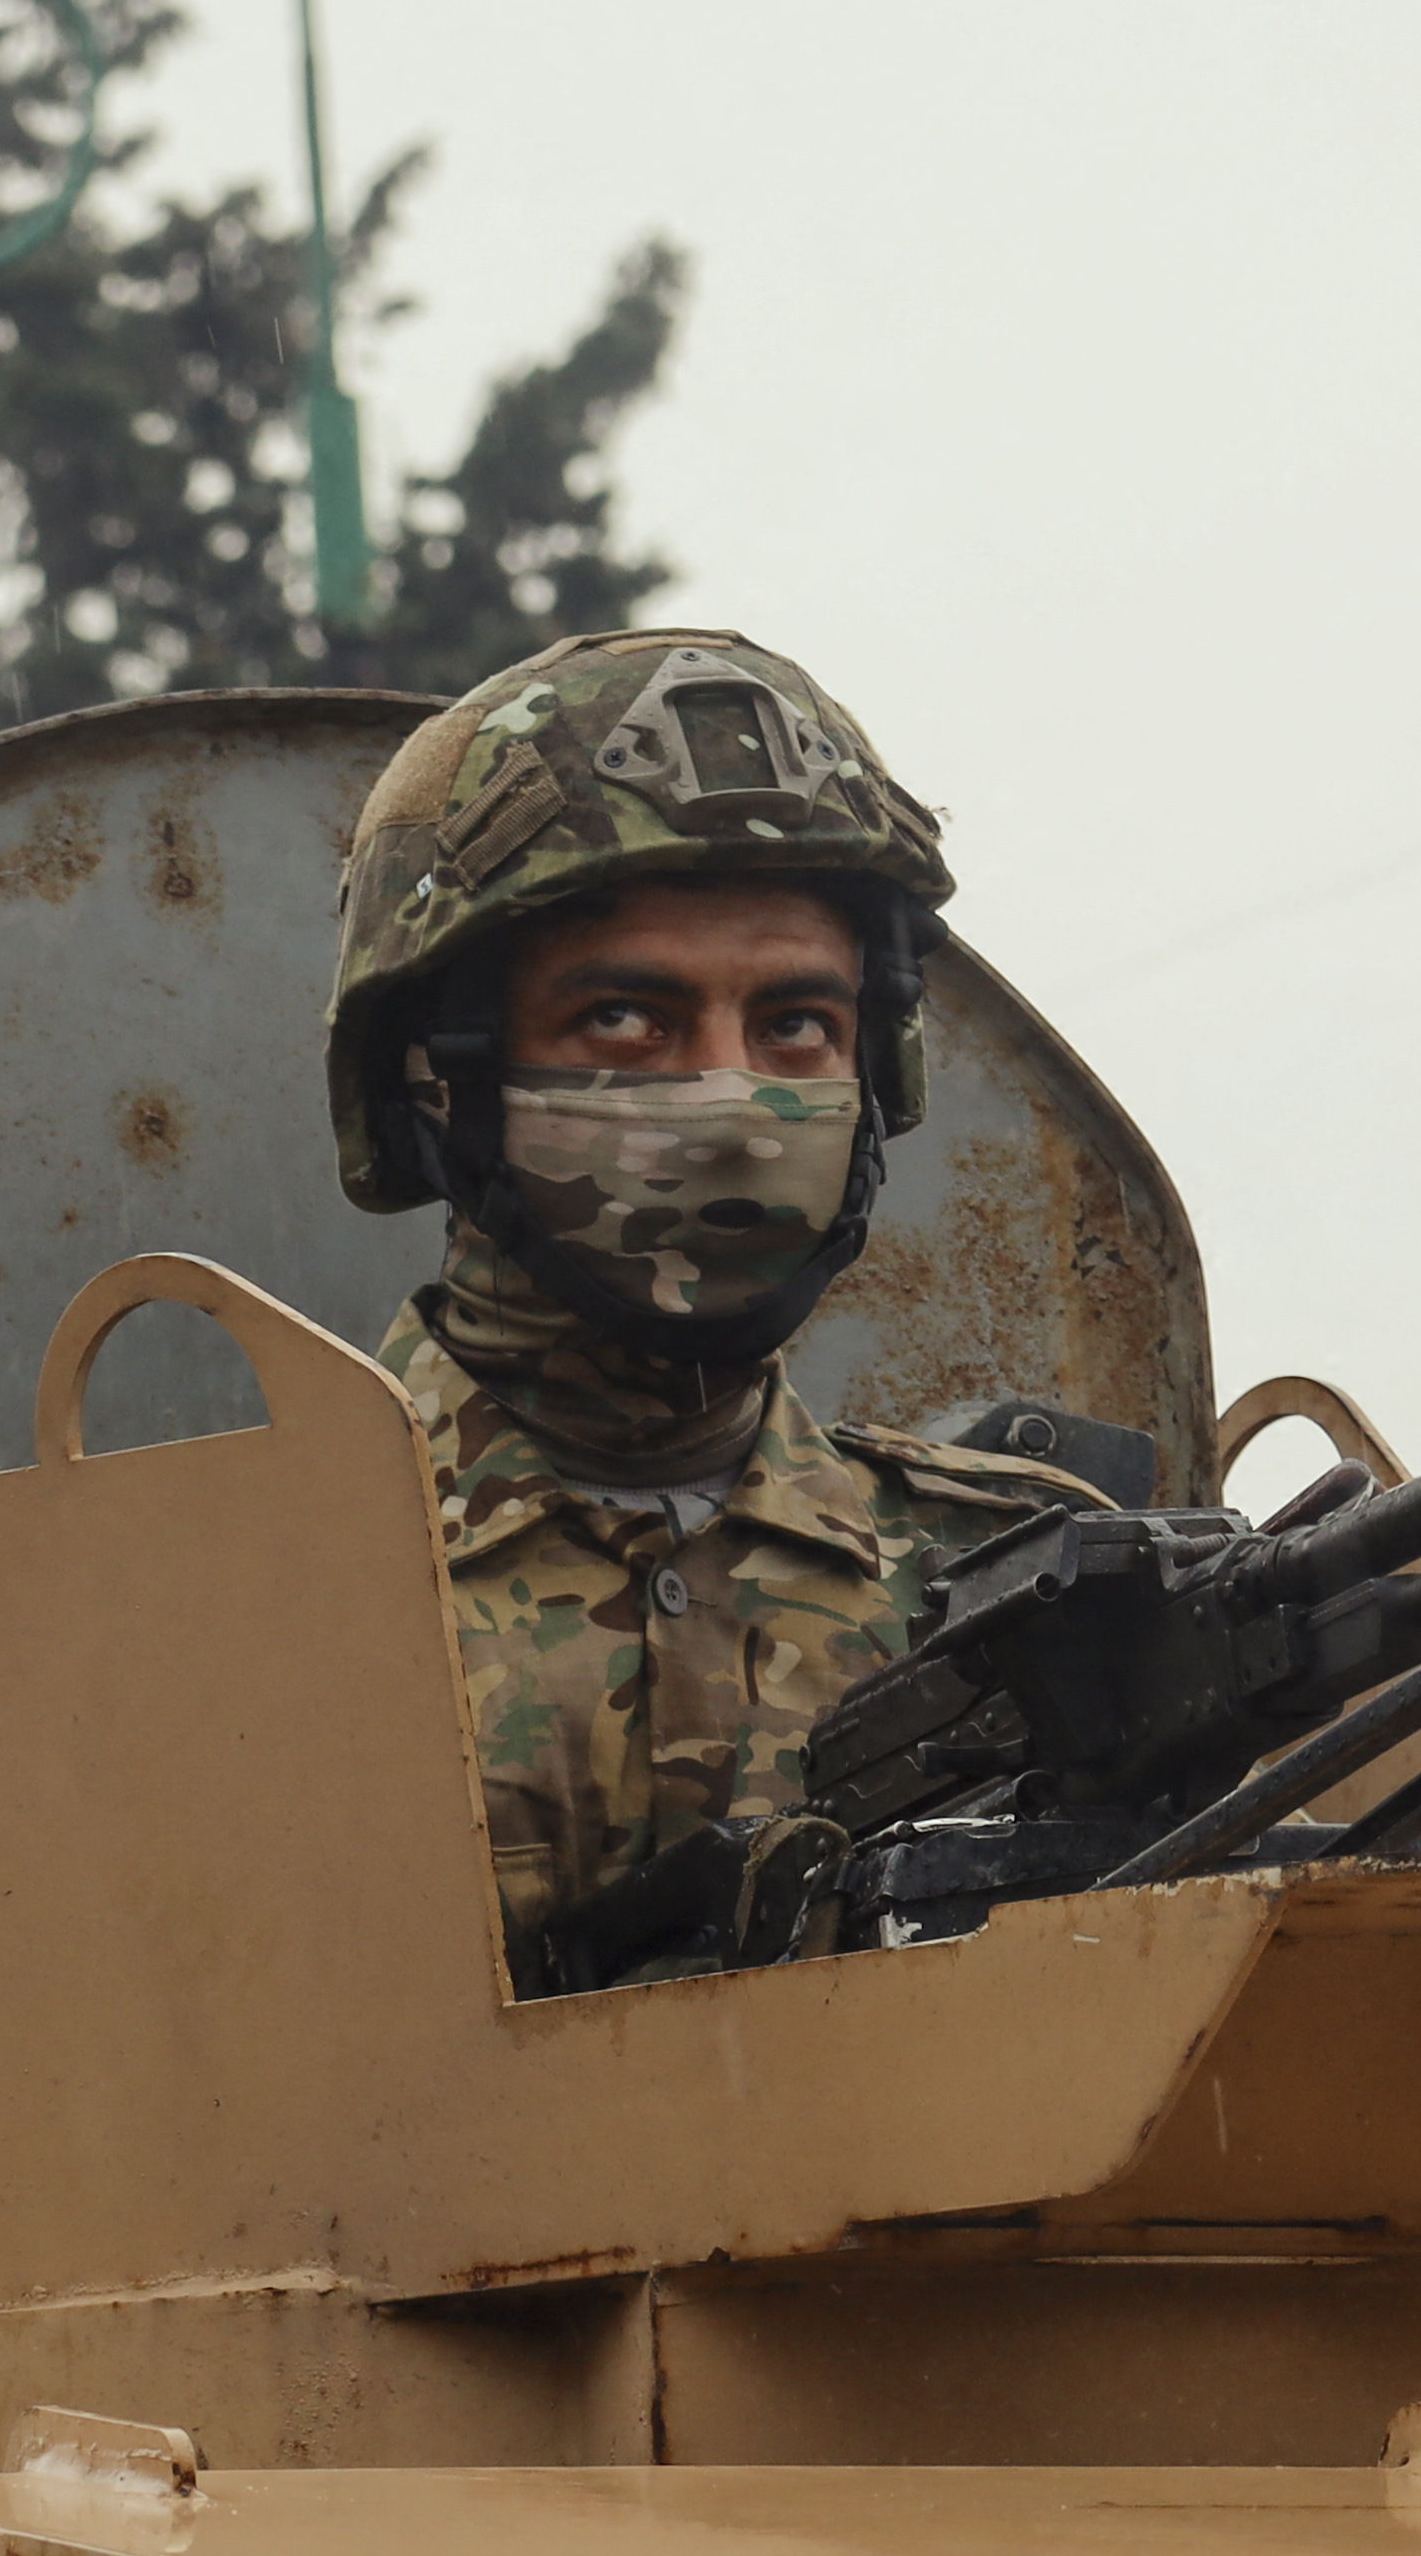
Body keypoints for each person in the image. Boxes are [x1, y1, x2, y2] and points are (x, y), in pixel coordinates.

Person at [319, 630, 1108, 1986]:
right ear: (437, 1077)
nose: (734, 1105)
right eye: (627, 1019)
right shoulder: (235, 1594)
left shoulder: (1025, 1588)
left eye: (795, 1025)